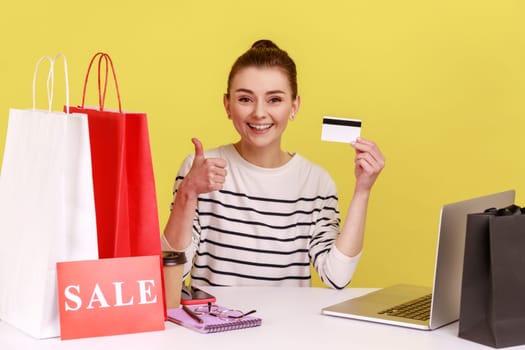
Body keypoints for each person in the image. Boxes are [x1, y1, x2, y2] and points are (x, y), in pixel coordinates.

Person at [161, 39, 385, 289]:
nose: (259, 113)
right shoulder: (199, 169)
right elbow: (173, 274)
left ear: (294, 106)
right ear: (227, 105)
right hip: (214, 324)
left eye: (274, 99)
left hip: (287, 327)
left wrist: (363, 191)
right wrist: (188, 193)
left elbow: (337, 277)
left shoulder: (316, 182)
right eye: (245, 99)